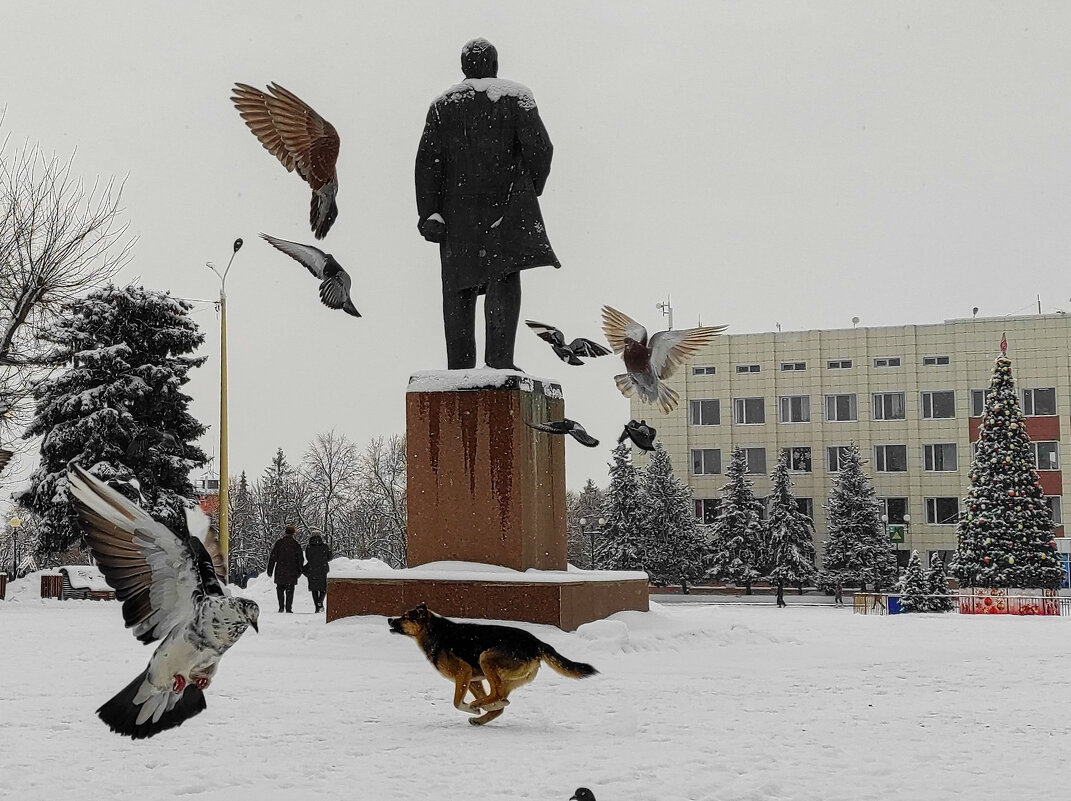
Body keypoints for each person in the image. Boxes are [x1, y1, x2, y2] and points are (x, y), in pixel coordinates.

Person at [415, 37, 560, 370]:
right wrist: (528, 188)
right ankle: (499, 361)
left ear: (464, 67)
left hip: (456, 214)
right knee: (502, 280)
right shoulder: (517, 99)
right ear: (494, 65)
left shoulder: (443, 106)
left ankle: (460, 369)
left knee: (458, 290)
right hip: (505, 208)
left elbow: (428, 164)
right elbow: (541, 150)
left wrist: (430, 213)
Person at [267, 525, 304, 613]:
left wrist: (270, 570)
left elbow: (273, 557)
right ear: (293, 533)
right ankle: (288, 608)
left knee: (280, 589)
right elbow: (300, 559)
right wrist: (299, 570)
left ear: (285, 532)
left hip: (280, 570)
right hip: (292, 571)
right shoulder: (296, 545)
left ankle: (281, 607)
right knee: (290, 590)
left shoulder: (279, 543)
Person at [303, 533, 332, 614]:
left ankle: (317, 607)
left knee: (314, 589)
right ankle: (320, 601)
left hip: (312, 569)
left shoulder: (309, 547)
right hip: (322, 569)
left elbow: (308, 557)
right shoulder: (325, 547)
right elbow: (330, 556)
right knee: (323, 588)